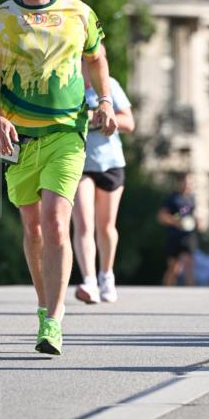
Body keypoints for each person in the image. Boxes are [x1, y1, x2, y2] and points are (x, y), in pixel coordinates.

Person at [0, 0, 117, 356]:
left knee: (55, 221)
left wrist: (104, 100)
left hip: (66, 135)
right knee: (32, 230)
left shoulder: (79, 12)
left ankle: (53, 322)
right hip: (18, 139)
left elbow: (97, 58)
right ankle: (42, 303)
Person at [72, 47, 135, 305]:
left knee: (106, 226)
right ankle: (88, 281)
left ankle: (106, 275)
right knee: (84, 223)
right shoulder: (69, 88)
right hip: (80, 163)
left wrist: (98, 118)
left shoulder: (109, 87)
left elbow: (129, 122)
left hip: (110, 163)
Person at [158, 173, 198, 286]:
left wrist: (198, 222)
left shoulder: (192, 199)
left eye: (190, 182)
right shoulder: (172, 198)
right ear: (179, 183)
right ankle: (166, 289)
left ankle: (192, 292)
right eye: (185, 182)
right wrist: (176, 222)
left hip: (188, 236)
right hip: (174, 236)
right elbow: (161, 216)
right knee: (174, 268)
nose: (187, 184)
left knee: (189, 265)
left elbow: (193, 215)